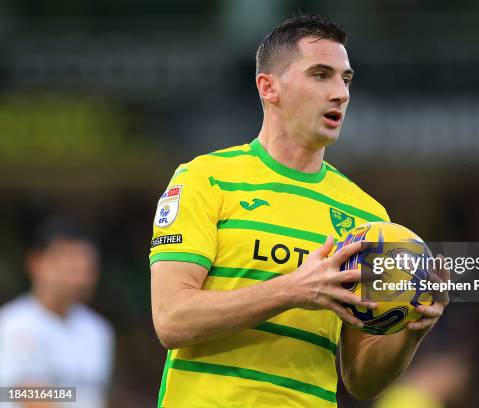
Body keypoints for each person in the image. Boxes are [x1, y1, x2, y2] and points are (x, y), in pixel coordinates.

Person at [150, 14, 447, 407]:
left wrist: (411, 329)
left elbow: (360, 379)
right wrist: (293, 288)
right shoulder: (205, 179)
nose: (340, 93)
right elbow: (172, 319)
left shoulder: (367, 217)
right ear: (268, 87)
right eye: (321, 75)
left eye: (346, 79)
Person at [0, 219, 114, 408]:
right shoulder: (14, 324)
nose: (78, 277)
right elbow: (27, 396)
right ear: (36, 263)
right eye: (68, 265)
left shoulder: (98, 330)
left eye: (85, 267)